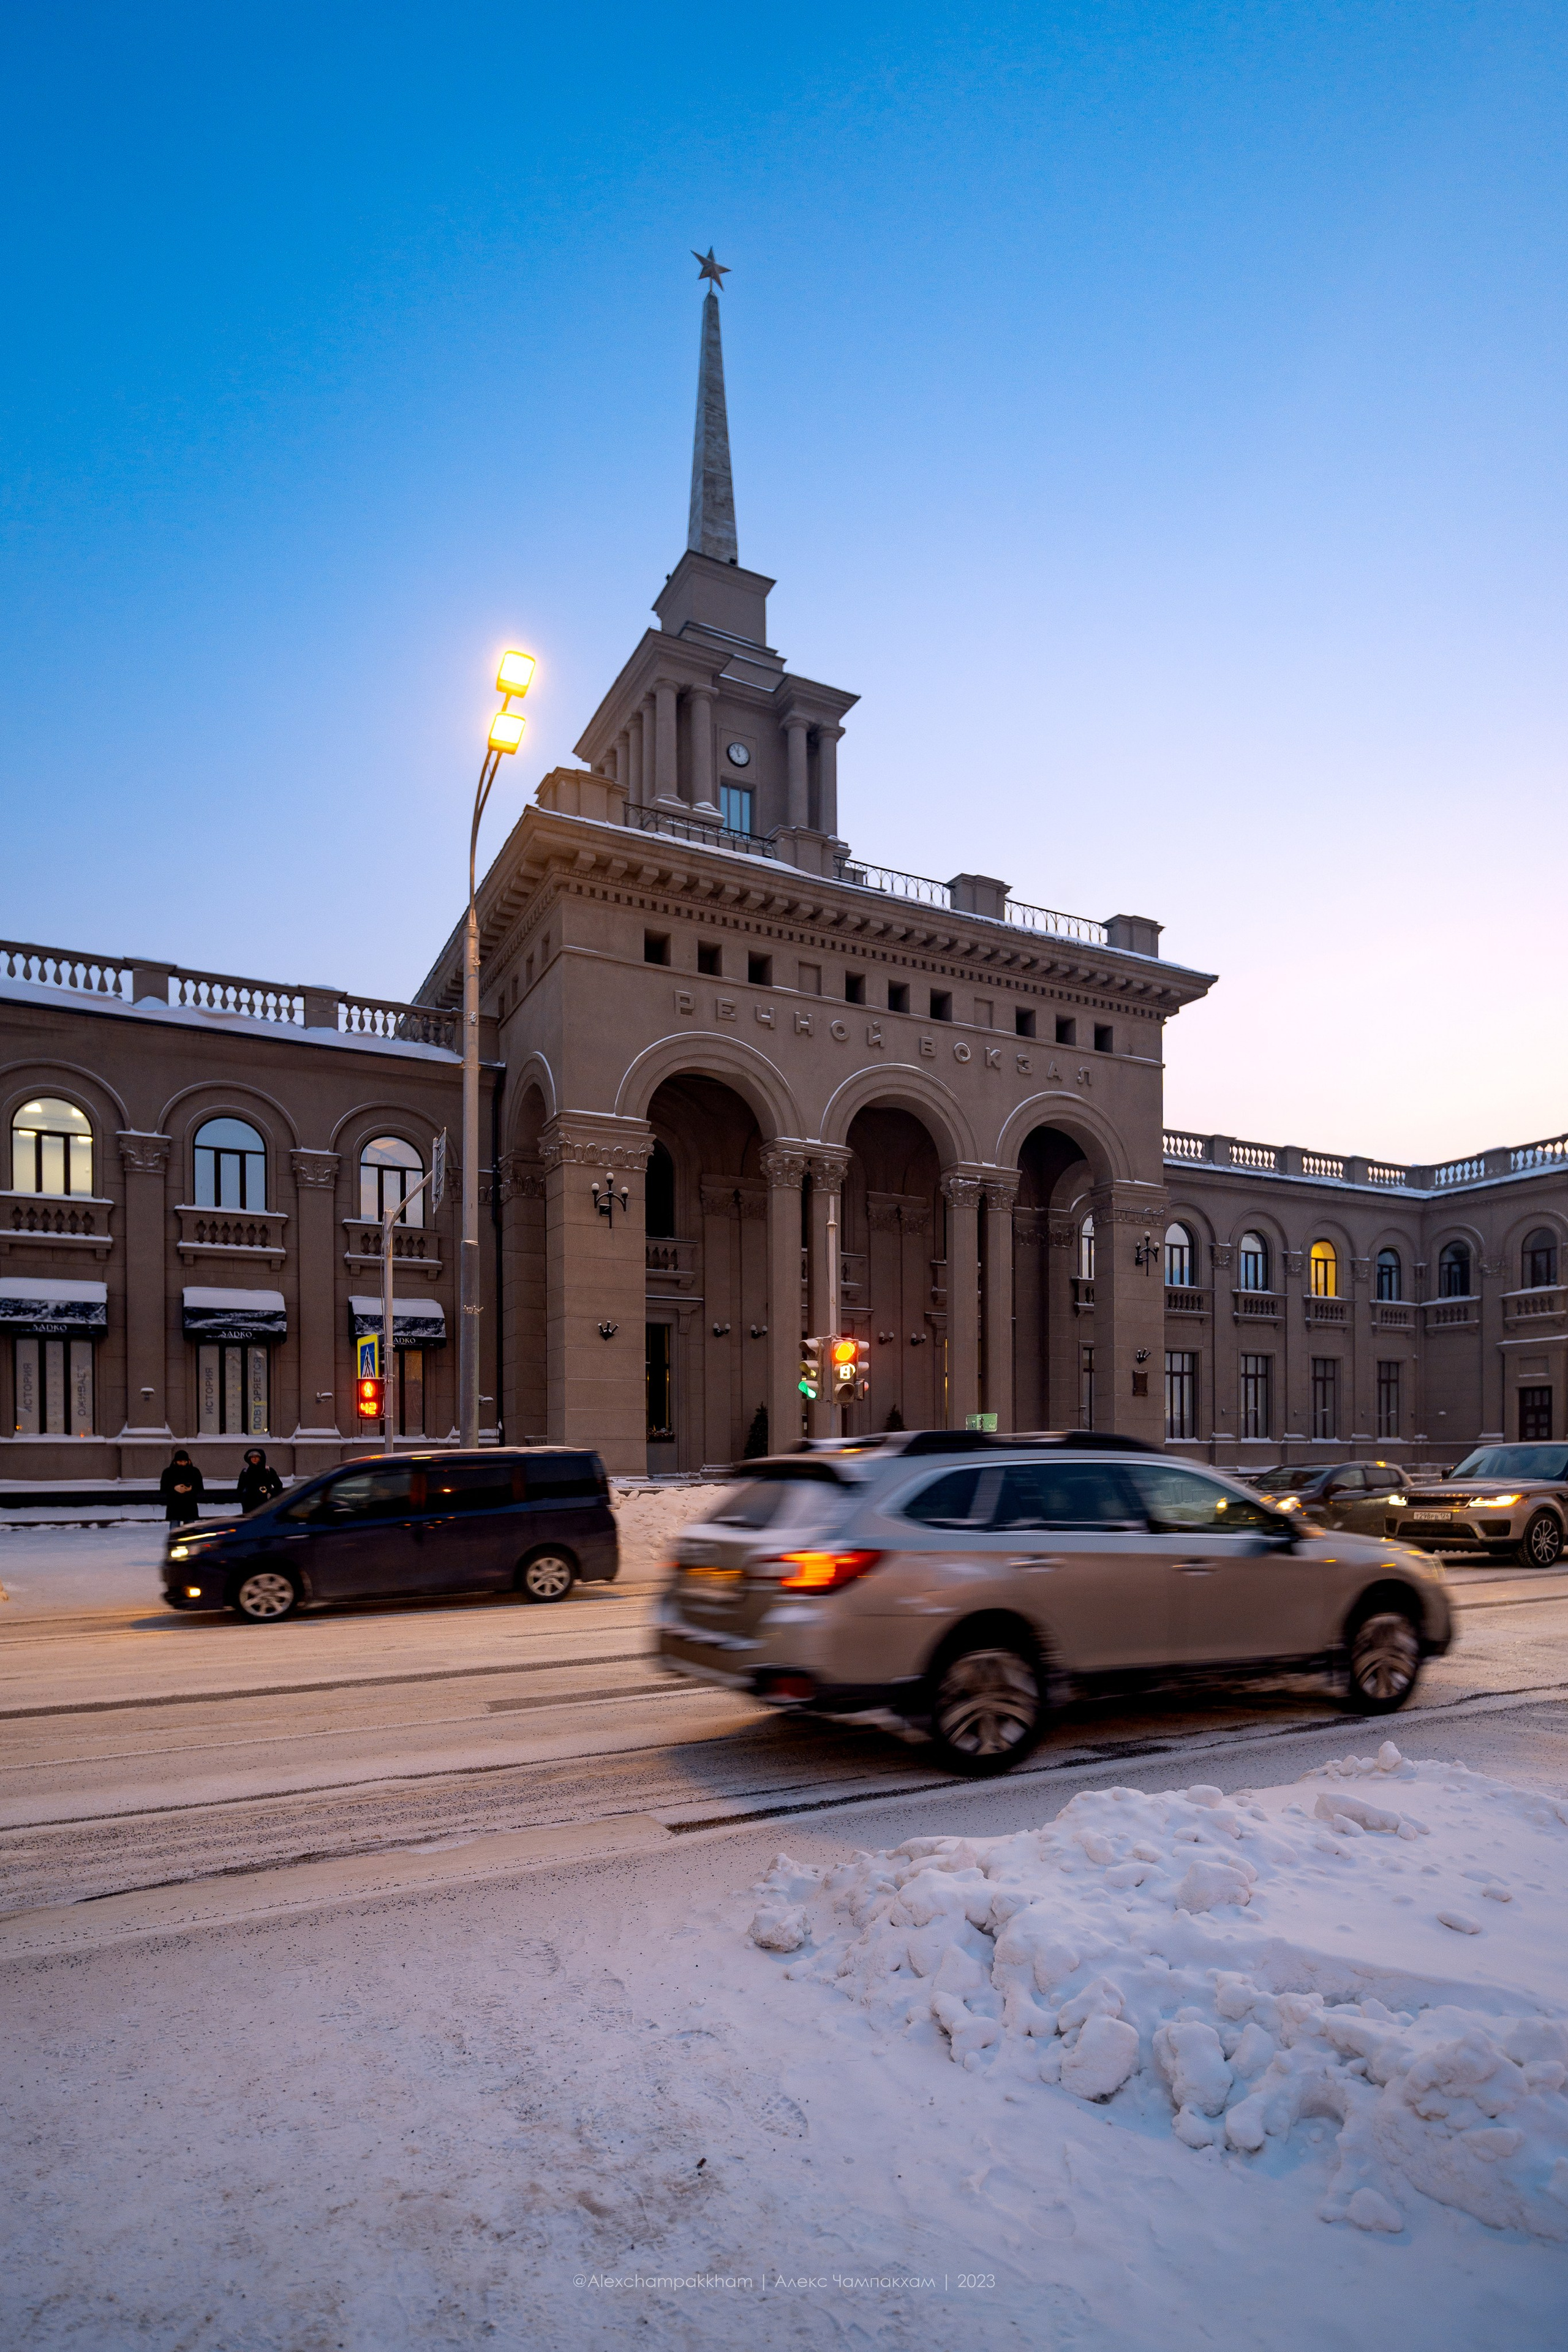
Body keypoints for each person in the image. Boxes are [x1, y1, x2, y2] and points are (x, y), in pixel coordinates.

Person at [159, 1448, 205, 1525]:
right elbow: (163, 1488)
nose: (183, 1464)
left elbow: (200, 1487)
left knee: (190, 1528)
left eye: (184, 1461)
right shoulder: (168, 1472)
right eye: (180, 1461)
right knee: (175, 1527)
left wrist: (191, 1488)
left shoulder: (194, 1472)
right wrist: (174, 1488)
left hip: (189, 1504)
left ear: (188, 1461)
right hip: (175, 1504)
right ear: (175, 1461)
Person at [236, 1447, 284, 1514]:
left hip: (265, 1504)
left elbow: (278, 1485)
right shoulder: (245, 1472)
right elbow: (240, 1488)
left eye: (257, 1457)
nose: (254, 1459)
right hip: (249, 1505)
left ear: (261, 1458)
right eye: (252, 1457)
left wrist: (271, 1495)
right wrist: (244, 1498)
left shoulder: (268, 1471)